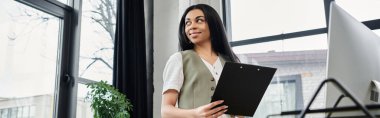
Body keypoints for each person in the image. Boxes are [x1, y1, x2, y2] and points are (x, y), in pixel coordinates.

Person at [161, 4, 240, 118]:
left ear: (213, 24)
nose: (192, 26)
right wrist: (195, 114)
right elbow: (165, 111)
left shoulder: (229, 62)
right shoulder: (179, 60)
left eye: (199, 21)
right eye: (188, 23)